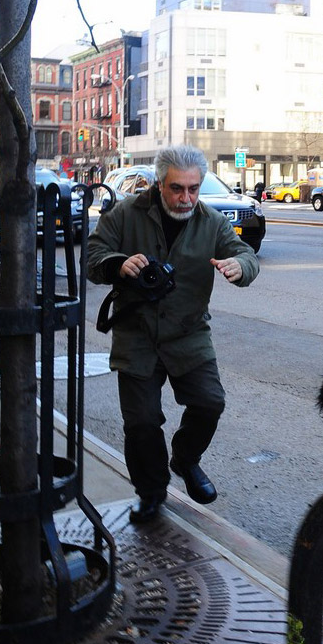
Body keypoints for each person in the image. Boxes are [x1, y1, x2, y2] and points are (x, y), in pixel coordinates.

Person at [88, 144, 260, 524]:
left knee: (209, 403)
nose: (186, 198)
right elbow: (93, 257)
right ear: (159, 184)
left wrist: (238, 266)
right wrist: (118, 264)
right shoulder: (125, 214)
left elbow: (246, 255)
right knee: (142, 422)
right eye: (177, 189)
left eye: (193, 189)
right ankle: (151, 492)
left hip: (188, 333)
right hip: (137, 334)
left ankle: (185, 458)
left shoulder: (211, 221)